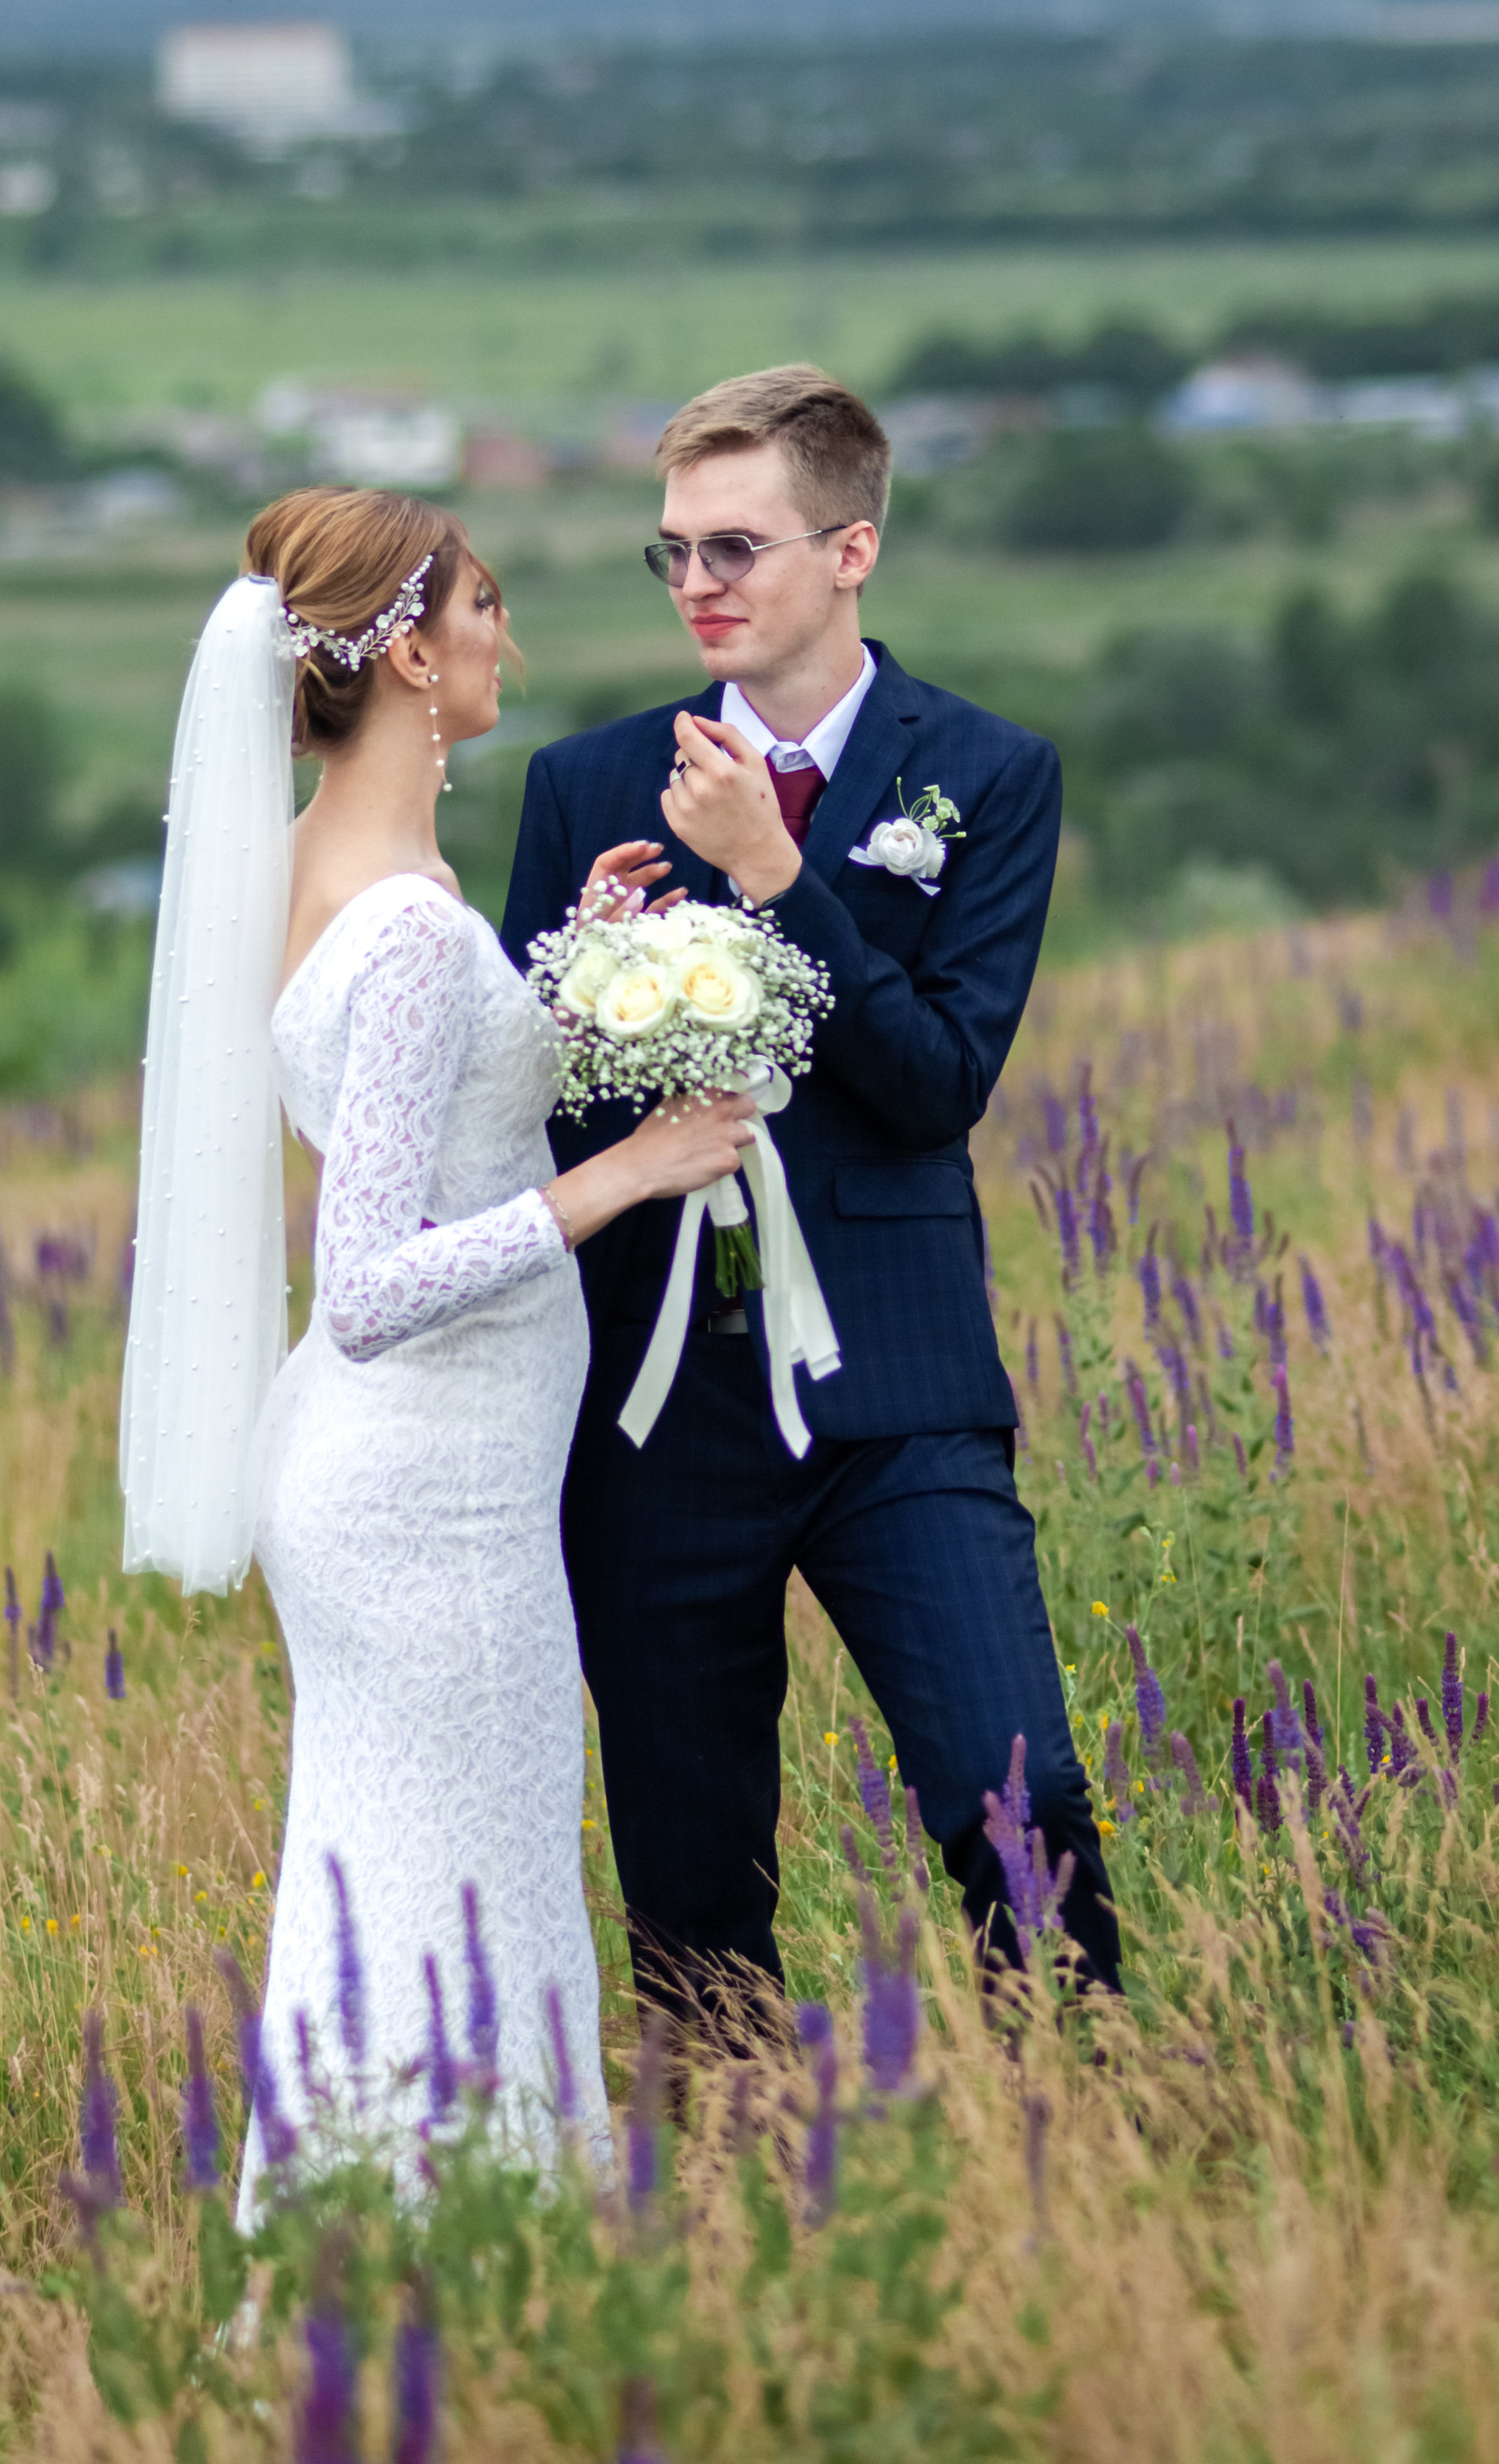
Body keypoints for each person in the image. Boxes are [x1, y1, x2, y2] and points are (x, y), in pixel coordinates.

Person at [119, 487, 752, 2218]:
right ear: (406, 650)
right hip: (428, 1508)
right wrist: (622, 1172)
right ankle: (452, 2259)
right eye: (481, 604)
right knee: (464, 1894)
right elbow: (375, 1281)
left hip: (414, 1493)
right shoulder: (400, 922)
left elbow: (414, 1103)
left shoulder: (359, 875)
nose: (503, 637)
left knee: (416, 1885)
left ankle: (397, 2255)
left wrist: (557, 991)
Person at [502, 366, 1120, 2020]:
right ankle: (728, 2185)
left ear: (850, 550)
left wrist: (779, 879)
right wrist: (569, 982)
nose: (697, 585)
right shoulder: (587, 785)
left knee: (1018, 1785)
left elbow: (935, 1088)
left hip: (898, 1386)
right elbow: (530, 1116)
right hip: (652, 1409)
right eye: (672, 554)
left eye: (734, 547)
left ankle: (1099, 2119)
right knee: (691, 1862)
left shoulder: (988, 774)